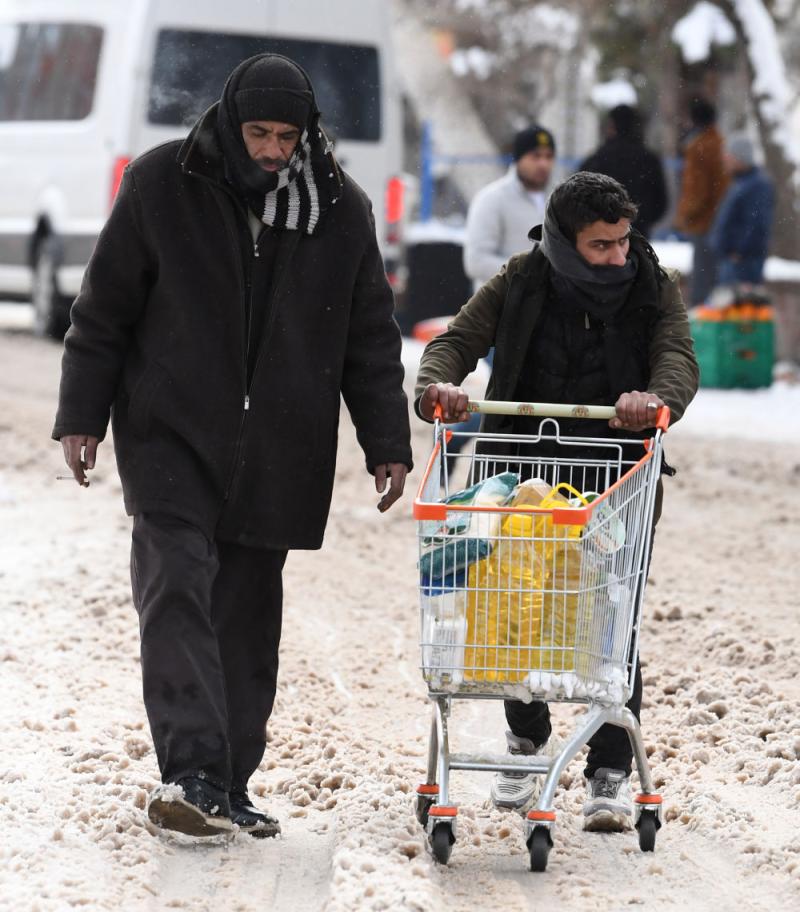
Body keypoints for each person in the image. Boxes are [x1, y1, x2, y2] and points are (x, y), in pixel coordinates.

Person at [52, 54, 413, 839]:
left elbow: (369, 337)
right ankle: (191, 770)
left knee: (246, 621)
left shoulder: (340, 210)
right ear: (230, 121)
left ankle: (226, 784)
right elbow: (103, 310)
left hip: (281, 443)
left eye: (289, 136)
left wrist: (386, 438)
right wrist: (82, 414)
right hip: (169, 431)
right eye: (259, 133)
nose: (274, 150)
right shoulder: (160, 184)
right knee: (175, 584)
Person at [415, 172, 698, 832]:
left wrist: (655, 399)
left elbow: (677, 356)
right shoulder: (521, 280)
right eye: (601, 246)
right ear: (566, 244)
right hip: (522, 480)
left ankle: (608, 768)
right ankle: (526, 738)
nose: (618, 256)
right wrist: (439, 387)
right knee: (513, 611)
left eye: (623, 241)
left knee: (609, 618)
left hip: (615, 479)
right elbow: (455, 341)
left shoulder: (652, 285)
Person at [463, 125, 556, 290]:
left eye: (548, 156)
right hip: (500, 309)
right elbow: (476, 262)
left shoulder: (557, 199)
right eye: (536, 156)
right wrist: (529, 272)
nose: (543, 163)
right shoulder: (492, 199)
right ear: (518, 158)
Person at [579, 104, 668, 238]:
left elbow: (579, 199)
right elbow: (660, 202)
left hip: (601, 237)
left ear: (612, 126)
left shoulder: (596, 160)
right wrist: (641, 220)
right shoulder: (648, 161)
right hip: (639, 235)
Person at [674, 98, 729, 306]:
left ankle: (700, 323)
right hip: (720, 217)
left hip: (703, 220)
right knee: (714, 276)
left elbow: (698, 189)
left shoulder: (698, 147)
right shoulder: (720, 143)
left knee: (702, 277)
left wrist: (684, 215)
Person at [710, 132, 775, 287]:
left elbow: (757, 223)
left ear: (740, 158)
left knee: (741, 307)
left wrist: (740, 251)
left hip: (743, 263)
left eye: (729, 156)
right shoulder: (742, 183)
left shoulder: (756, 185)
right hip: (734, 260)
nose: (725, 161)